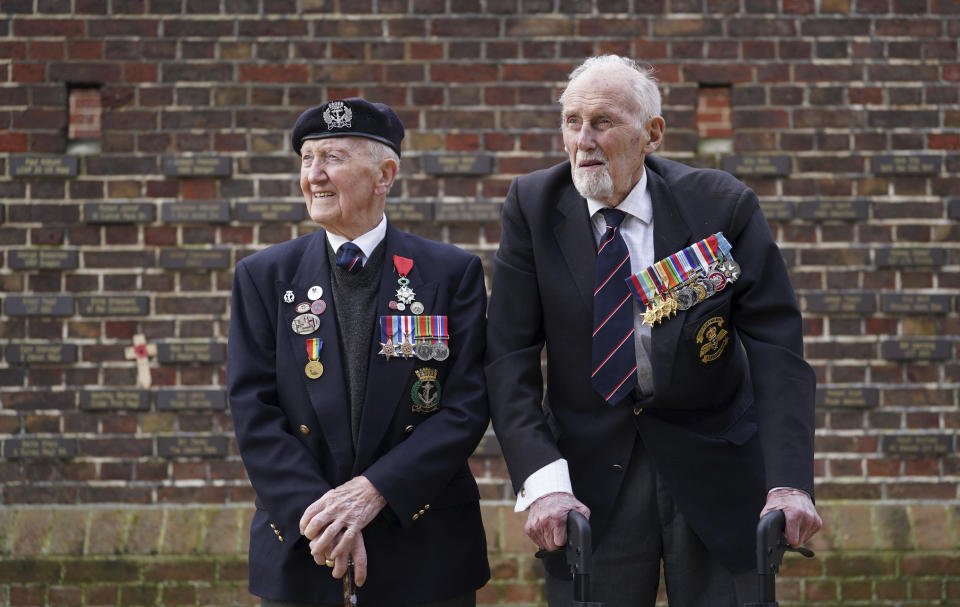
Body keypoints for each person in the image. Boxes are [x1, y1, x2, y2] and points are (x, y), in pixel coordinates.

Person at [485, 55, 822, 606]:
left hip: (715, 461)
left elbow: (776, 350)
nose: (583, 141)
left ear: (652, 134)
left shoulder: (720, 205)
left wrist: (789, 481)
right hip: (588, 480)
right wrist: (544, 485)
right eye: (572, 122)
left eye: (603, 122)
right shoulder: (532, 205)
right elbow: (509, 358)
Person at [227, 98, 490, 607]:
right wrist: (325, 518)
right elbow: (252, 410)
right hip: (306, 546)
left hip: (423, 545)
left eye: (333, 158)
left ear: (385, 175)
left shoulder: (450, 273)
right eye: (307, 159)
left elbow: (466, 405)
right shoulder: (263, 277)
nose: (314, 175)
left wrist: (374, 492)